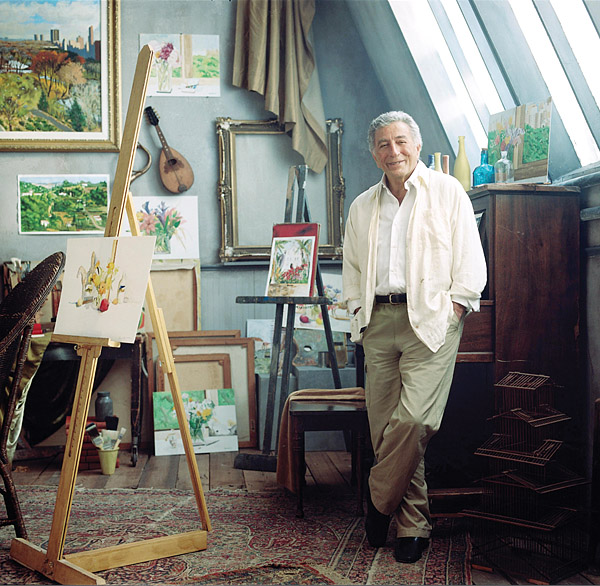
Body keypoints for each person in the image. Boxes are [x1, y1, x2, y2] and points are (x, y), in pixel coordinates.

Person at [342, 111, 487, 564]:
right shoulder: (363, 205)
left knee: (416, 422)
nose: (393, 152)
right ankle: (412, 525)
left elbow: (469, 259)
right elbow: (352, 268)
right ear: (373, 153)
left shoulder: (447, 193)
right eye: (383, 145)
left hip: (431, 319)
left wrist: (456, 309)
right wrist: (356, 312)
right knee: (387, 430)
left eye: (400, 142)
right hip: (378, 321)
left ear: (417, 145)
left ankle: (378, 502)